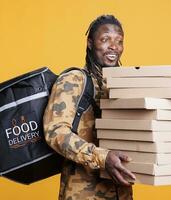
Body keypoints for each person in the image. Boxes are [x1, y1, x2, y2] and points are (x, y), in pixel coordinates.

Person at [43, 14, 135, 200]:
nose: (114, 47)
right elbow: (55, 132)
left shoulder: (118, 85)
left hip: (122, 192)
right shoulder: (74, 80)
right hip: (84, 194)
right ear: (90, 43)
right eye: (105, 39)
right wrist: (102, 157)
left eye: (119, 41)